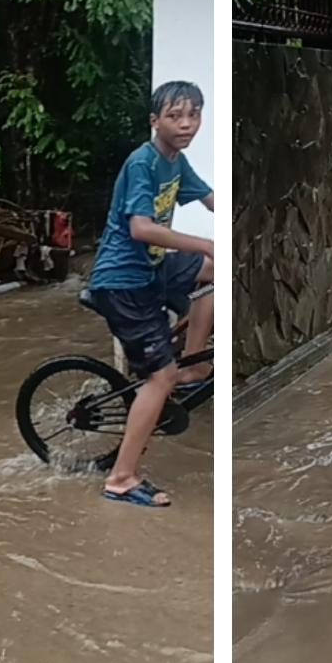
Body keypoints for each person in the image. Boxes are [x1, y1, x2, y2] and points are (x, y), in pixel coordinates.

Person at [87, 81, 214, 508]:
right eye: (175, 116)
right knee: (159, 377)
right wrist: (204, 243)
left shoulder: (176, 162)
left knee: (215, 273)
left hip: (154, 269)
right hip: (123, 281)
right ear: (154, 121)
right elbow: (141, 228)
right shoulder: (142, 163)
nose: (185, 124)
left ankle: (193, 366)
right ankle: (120, 479)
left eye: (193, 115)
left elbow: (214, 198)